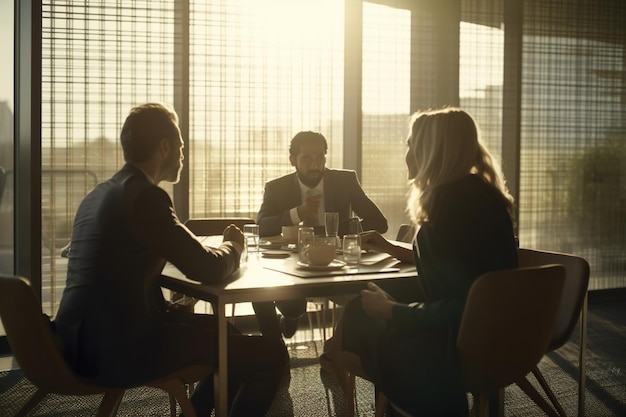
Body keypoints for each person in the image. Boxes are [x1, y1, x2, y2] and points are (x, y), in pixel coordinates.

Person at [54, 103, 288, 417]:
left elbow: (113, 272)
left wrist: (164, 308)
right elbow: (209, 268)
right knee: (272, 354)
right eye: (180, 146)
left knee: (228, 331)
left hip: (77, 342)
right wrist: (234, 244)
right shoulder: (146, 197)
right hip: (120, 350)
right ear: (164, 147)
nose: (182, 155)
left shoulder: (100, 193)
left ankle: (198, 411)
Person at [327, 107, 518, 416]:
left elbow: (459, 305)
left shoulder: (445, 214)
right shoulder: (483, 198)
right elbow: (462, 271)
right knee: (366, 308)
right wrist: (393, 249)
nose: (406, 155)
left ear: (430, 152)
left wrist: (394, 311)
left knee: (358, 314)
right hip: (507, 333)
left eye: (410, 145)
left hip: (461, 345)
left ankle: (418, 406)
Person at [254, 130, 389, 339]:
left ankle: (337, 349)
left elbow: (379, 222)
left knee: (360, 297)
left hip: (337, 268)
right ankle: (275, 345)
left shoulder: (345, 181)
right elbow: (261, 226)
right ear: (293, 160)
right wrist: (298, 213)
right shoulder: (276, 188)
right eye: (307, 158)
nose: (315, 165)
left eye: (320, 158)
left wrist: (347, 236)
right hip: (290, 267)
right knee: (269, 294)